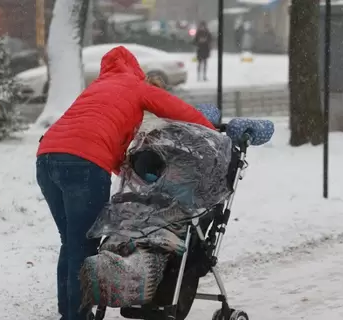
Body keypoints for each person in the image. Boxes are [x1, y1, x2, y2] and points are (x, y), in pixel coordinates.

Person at [36, 45, 215, 320]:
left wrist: (130, 178)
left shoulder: (95, 89)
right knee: (82, 245)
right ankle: (75, 316)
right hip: (82, 164)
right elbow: (176, 109)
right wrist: (213, 132)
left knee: (70, 242)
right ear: (135, 70)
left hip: (46, 159)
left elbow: (97, 137)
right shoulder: (134, 86)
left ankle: (69, 312)